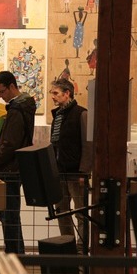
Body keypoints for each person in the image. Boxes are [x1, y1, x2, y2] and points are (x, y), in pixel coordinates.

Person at [0, 71, 35, 254]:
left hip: (9, 170)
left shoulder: (17, 109)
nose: (0, 96)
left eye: (2, 91)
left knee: (8, 215)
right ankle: (16, 254)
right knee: (9, 215)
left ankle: (15, 255)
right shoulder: (22, 107)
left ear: (12, 86)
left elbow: (10, 144)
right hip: (14, 168)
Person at [49, 78, 93, 254]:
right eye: (52, 93)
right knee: (62, 212)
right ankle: (68, 248)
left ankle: (81, 250)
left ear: (67, 93)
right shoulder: (57, 116)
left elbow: (88, 145)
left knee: (81, 213)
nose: (53, 97)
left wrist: (84, 171)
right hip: (59, 173)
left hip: (76, 173)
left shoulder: (82, 114)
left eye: (55, 93)